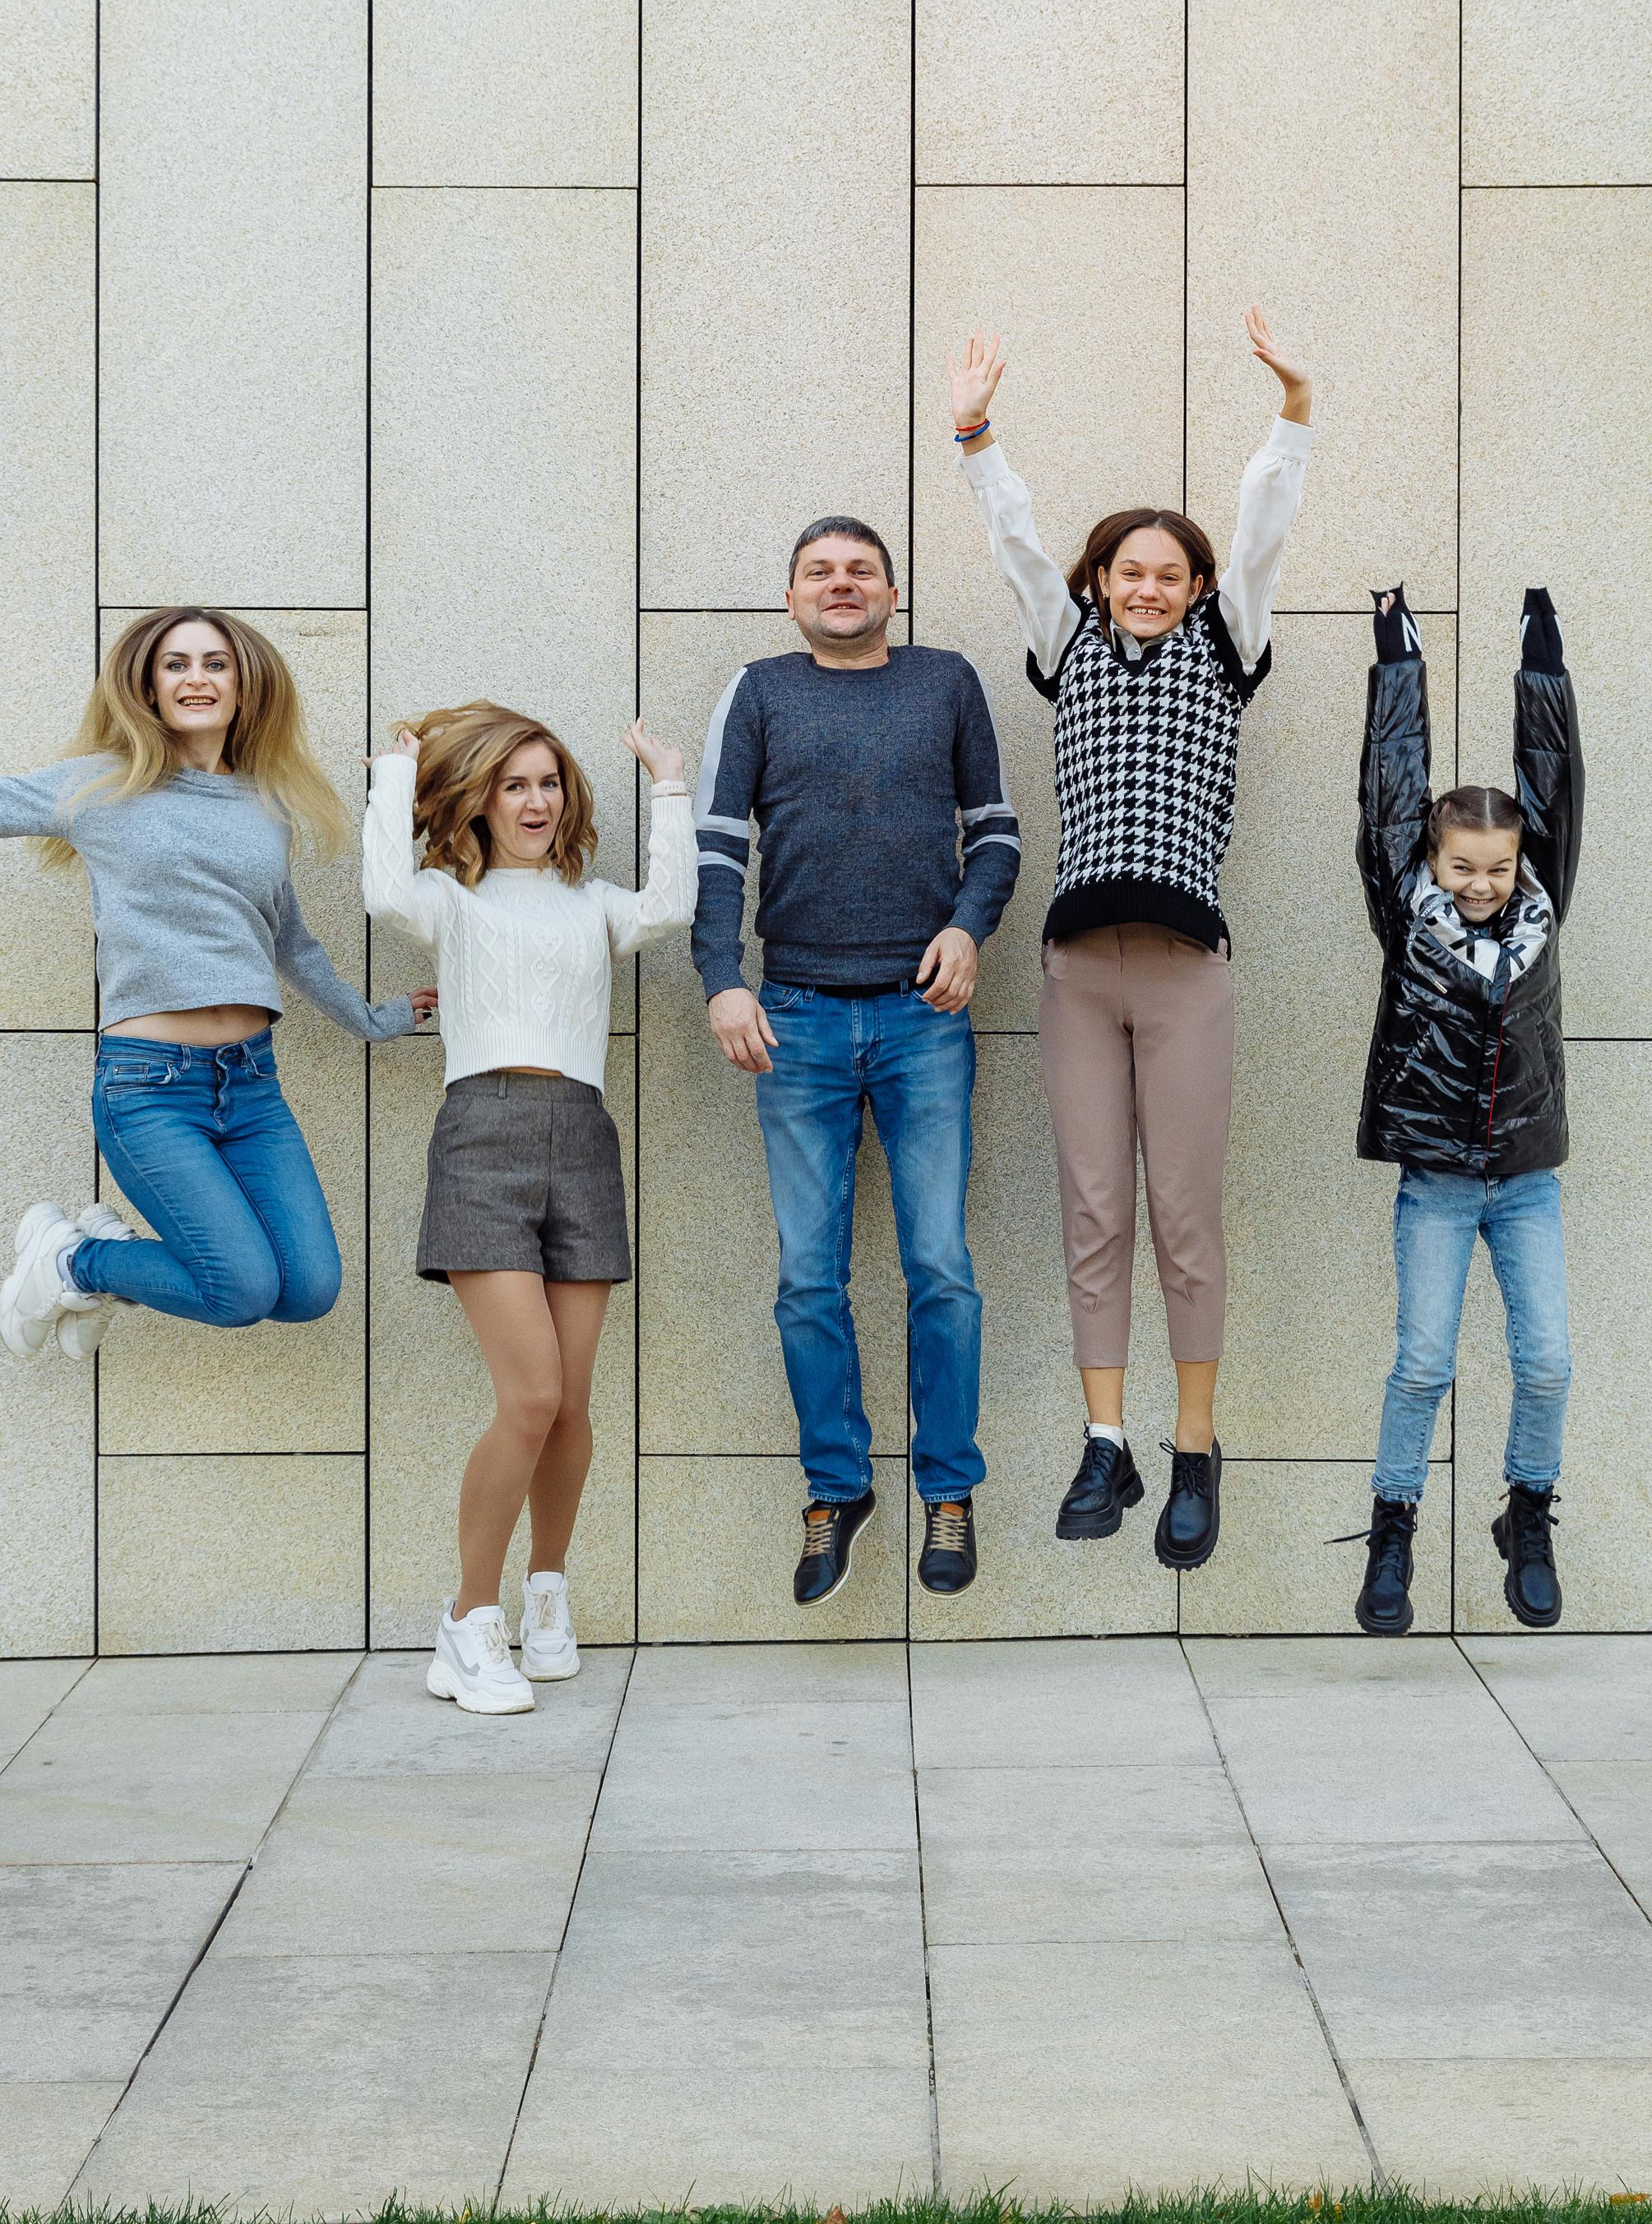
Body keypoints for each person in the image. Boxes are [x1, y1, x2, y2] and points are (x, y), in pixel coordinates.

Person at [0, 610, 430, 1363]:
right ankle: (74, 1262)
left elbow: (291, 945)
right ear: (146, 686)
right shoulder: (104, 788)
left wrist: (375, 1018)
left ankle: (90, 1262)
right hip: (150, 1090)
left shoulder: (263, 806)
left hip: (251, 1083)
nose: (195, 679)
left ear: (245, 684)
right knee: (238, 1292)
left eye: (214, 663)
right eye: (175, 665)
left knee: (306, 1292)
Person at [947, 309, 1312, 1574]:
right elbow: (1014, 545)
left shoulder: (1228, 641)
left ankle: (1193, 1446)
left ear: (1198, 590)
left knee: (1183, 1214)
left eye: (1167, 572)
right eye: (1127, 572)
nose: (1145, 586)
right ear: (1101, 584)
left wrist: (1293, 413)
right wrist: (978, 434)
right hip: (1075, 967)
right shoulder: (1068, 646)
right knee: (1094, 1207)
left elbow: (1263, 523)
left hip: (1185, 970)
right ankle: (1106, 1438)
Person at [693, 519, 1020, 1607]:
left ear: (894, 589)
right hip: (793, 1018)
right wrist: (720, 979)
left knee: (940, 1265)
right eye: (819, 573)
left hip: (923, 1015)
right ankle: (835, 1489)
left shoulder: (946, 683)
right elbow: (718, 847)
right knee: (806, 1277)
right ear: (791, 596)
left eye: (860, 571)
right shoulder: (761, 691)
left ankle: (949, 1490)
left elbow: (1000, 834)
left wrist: (970, 926)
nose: (841, 585)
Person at [364, 704, 695, 1715]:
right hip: (481, 1136)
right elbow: (380, 893)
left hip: (582, 1137)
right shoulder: (445, 898)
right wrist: (392, 771)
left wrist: (672, 787)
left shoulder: (594, 903)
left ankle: (545, 1593)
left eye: (548, 781)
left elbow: (671, 909)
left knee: (572, 1409)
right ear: (478, 799)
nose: (535, 799)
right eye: (513, 784)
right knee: (530, 1398)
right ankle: (468, 1620)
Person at [1339, 583, 1582, 1634]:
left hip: (1525, 1180)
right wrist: (1398, 656)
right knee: (1424, 1360)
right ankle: (1392, 1526)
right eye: (1461, 865)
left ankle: (1526, 1510)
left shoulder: (1541, 898)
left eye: (1498, 864)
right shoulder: (1408, 914)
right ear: (1430, 864)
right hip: (1438, 1183)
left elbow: (1555, 782)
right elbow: (1391, 786)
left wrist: (1542, 657)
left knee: (1547, 1360)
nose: (1481, 882)